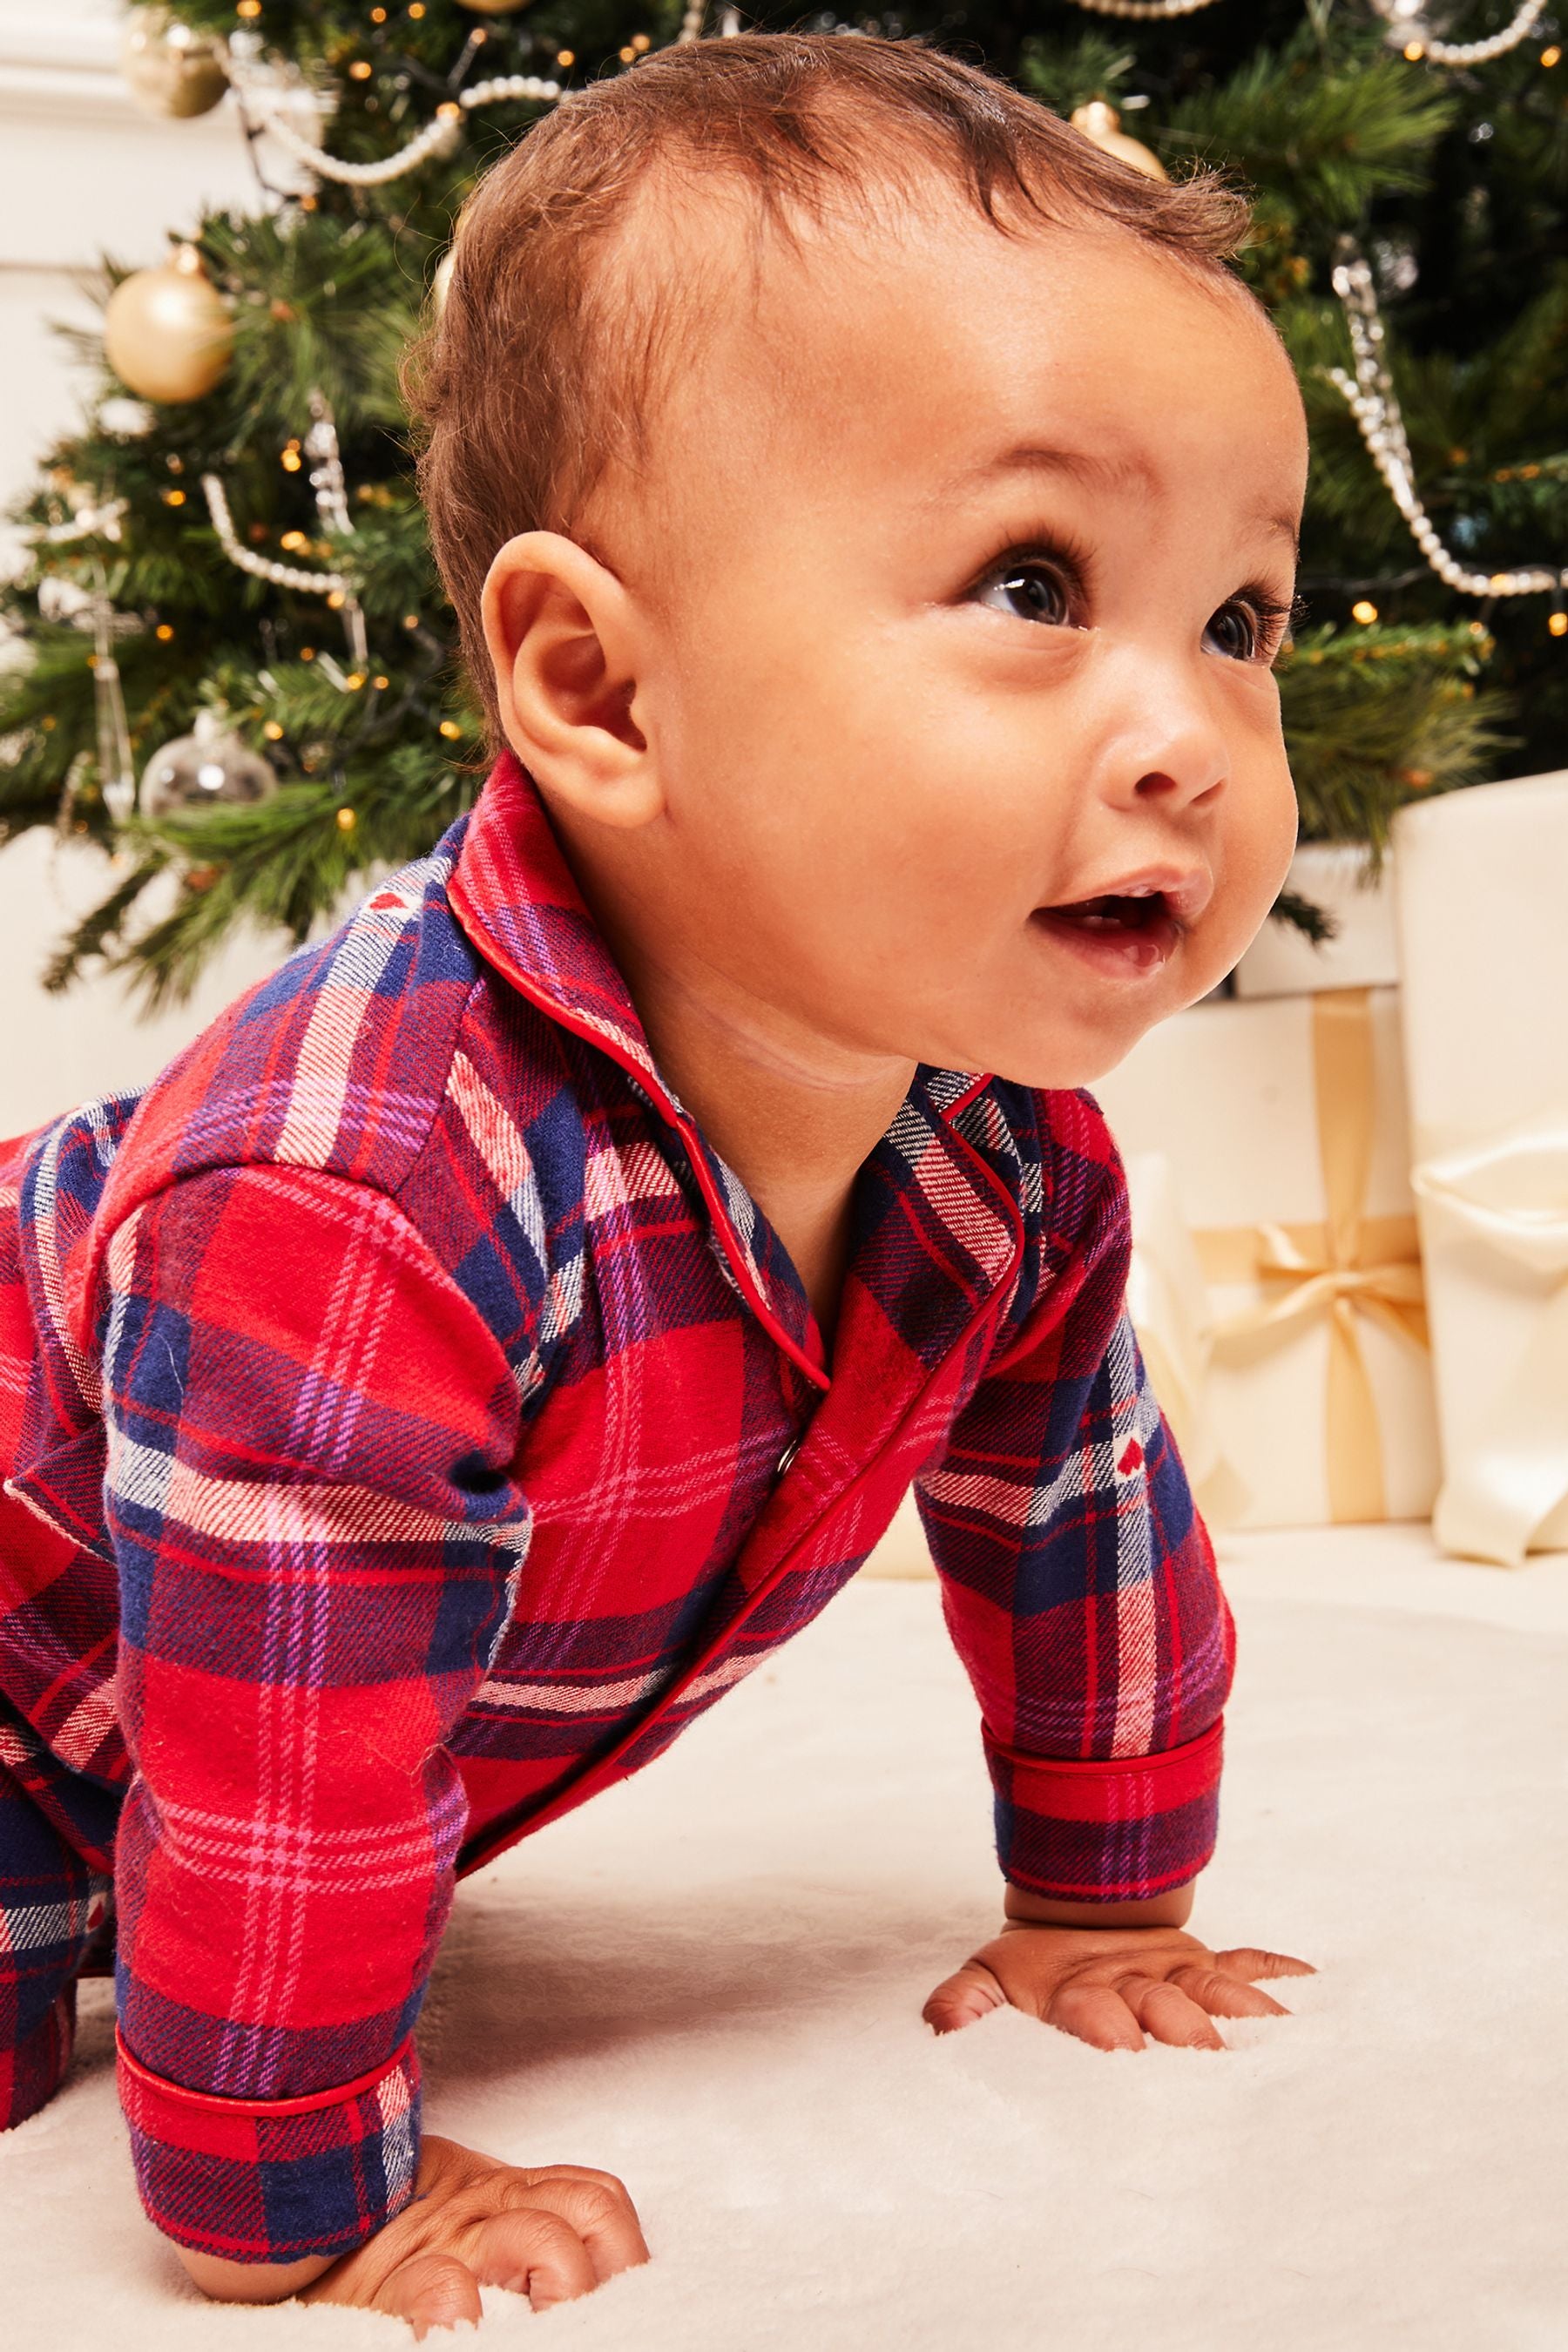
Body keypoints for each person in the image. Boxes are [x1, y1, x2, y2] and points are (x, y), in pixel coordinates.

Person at [0, 30, 1318, 2336]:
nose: (1192, 735)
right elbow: (291, 1736)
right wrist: (300, 2187)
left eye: (1240, 620)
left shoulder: (1001, 1163)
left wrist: (1108, 1893)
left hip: (177, 1732)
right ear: (599, 688)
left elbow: (1083, 1508)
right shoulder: (372, 1189)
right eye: (1035, 579)